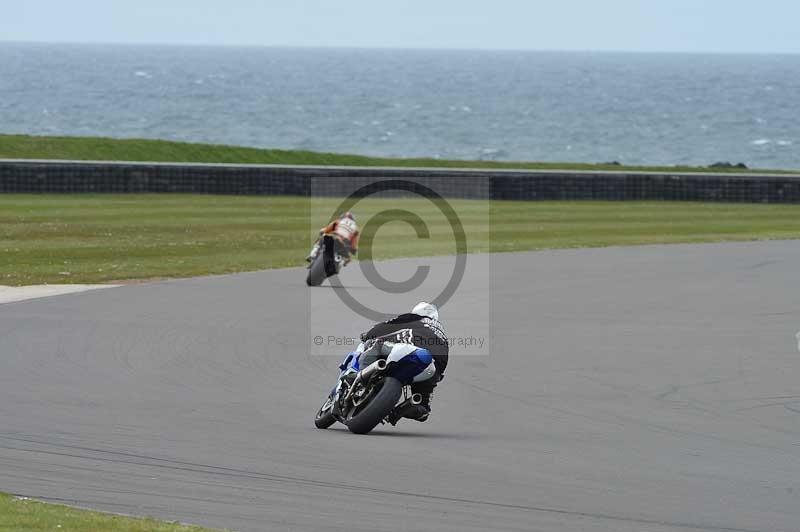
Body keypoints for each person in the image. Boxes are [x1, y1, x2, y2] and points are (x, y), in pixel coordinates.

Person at [359, 302, 448, 422]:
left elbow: (383, 327)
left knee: (377, 344)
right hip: (431, 369)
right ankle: (398, 411)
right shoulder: (443, 336)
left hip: (410, 352)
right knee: (423, 408)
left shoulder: (415, 318)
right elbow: (443, 363)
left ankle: (361, 382)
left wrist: (368, 335)